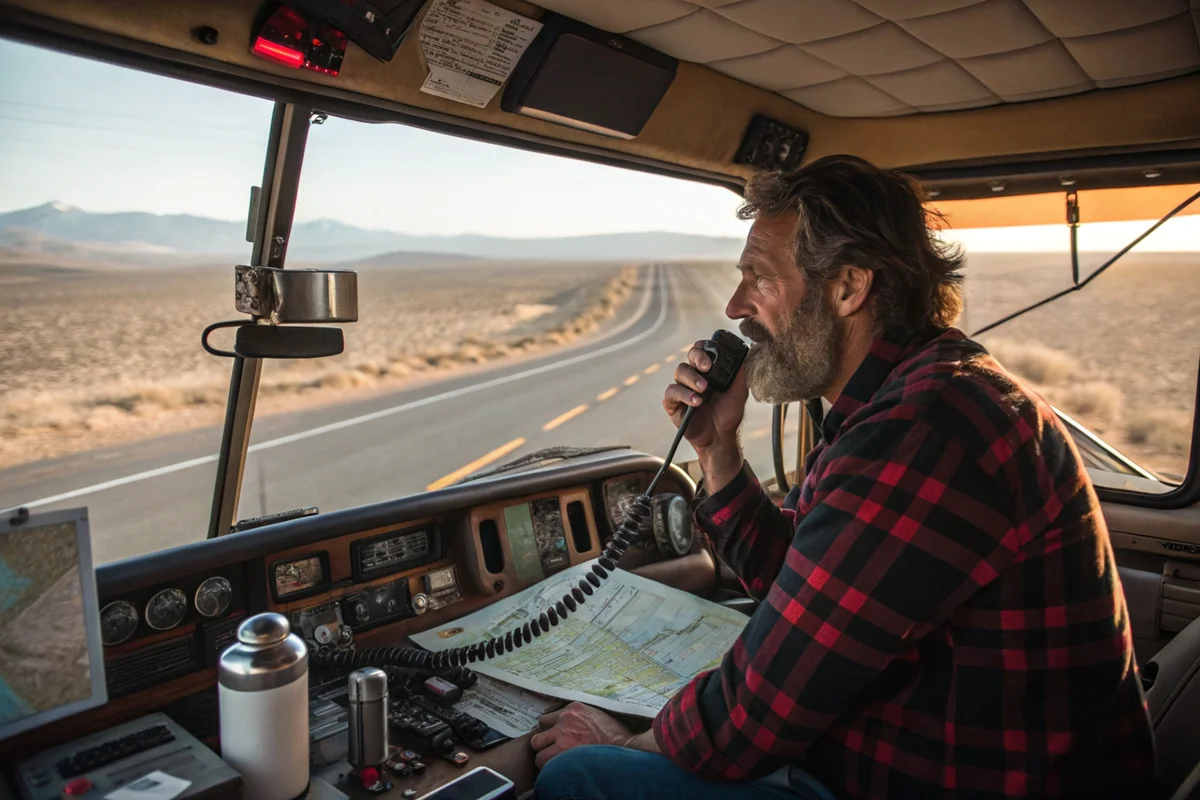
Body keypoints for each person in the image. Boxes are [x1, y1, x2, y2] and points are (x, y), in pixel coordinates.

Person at [530, 155, 1155, 799]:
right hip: (900, 757)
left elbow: (759, 713)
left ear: (848, 288)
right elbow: (800, 581)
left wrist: (621, 743)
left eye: (759, 278)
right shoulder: (904, 401)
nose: (736, 307)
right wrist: (717, 451)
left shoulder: (924, 429)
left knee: (581, 777)